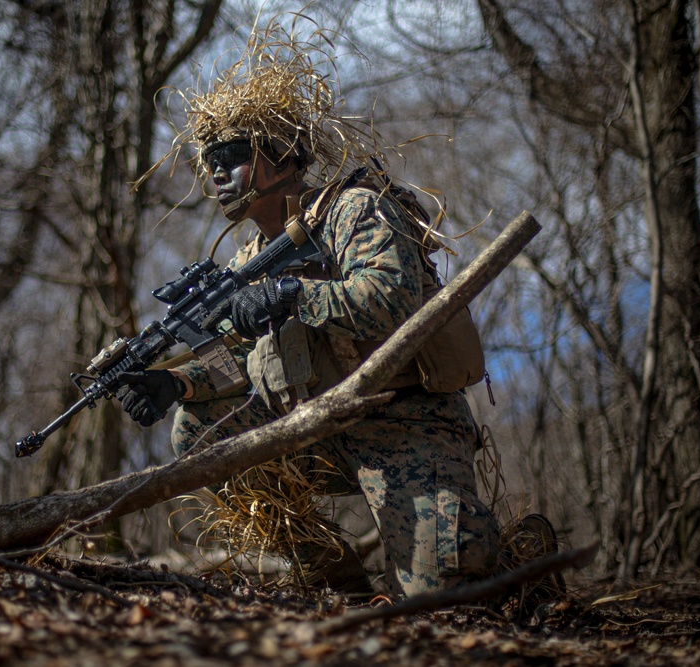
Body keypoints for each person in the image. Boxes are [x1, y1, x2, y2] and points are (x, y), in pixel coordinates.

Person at [116, 17, 501, 598]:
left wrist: (294, 294)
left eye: (232, 156)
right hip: (317, 431)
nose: (216, 173)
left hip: (406, 425)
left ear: (281, 155)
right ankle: (330, 579)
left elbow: (394, 299)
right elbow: (243, 365)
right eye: (209, 163)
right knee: (195, 430)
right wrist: (177, 384)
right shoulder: (248, 258)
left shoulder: (355, 210)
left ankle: (511, 556)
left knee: (445, 601)